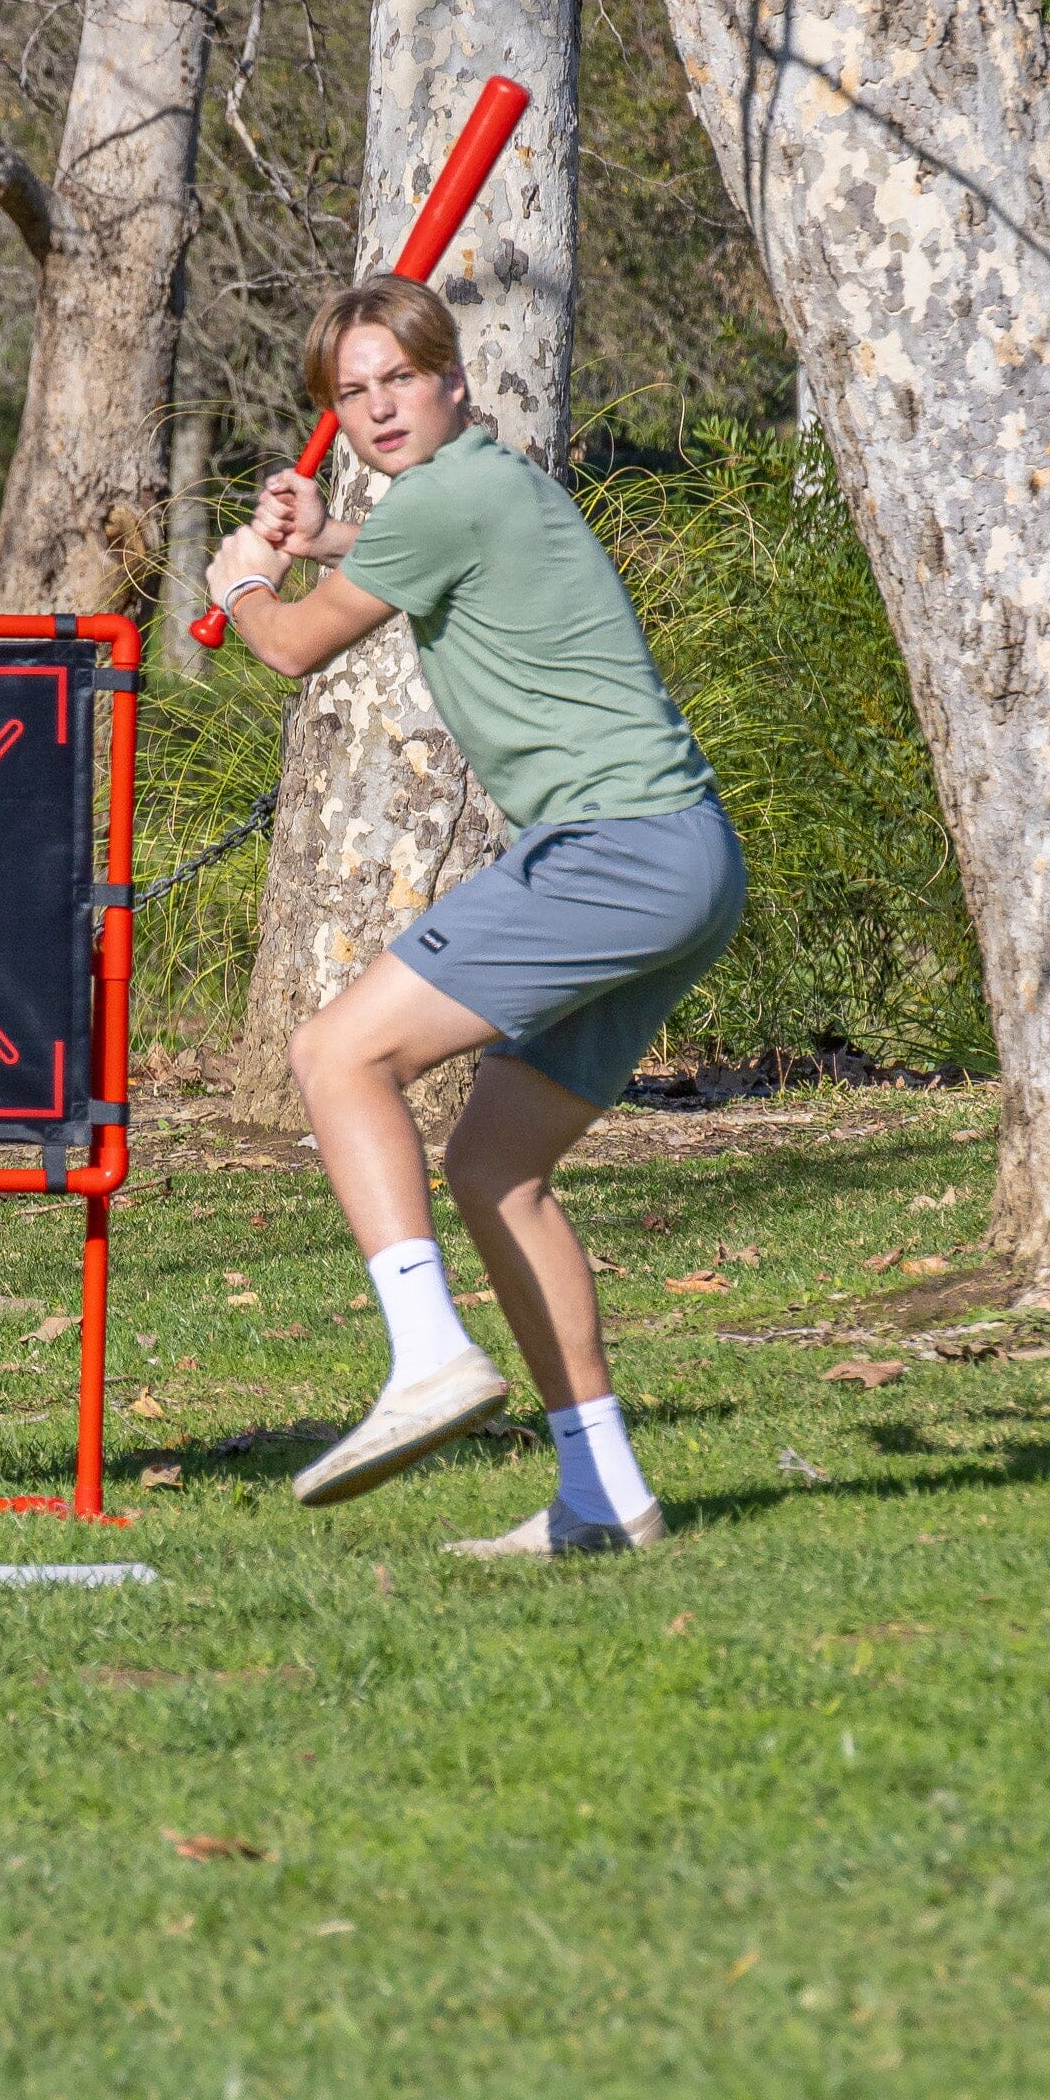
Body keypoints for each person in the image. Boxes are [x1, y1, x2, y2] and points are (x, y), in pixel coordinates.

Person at [202, 275, 744, 1556]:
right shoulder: (484, 490)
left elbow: (285, 650)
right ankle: (603, 1495)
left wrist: (240, 580)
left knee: (337, 1054)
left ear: (455, 380)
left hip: (613, 850)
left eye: (401, 379)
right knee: (495, 1168)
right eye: (353, 393)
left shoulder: (443, 500)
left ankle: (428, 1356)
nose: (381, 407)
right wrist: (322, 538)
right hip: (685, 860)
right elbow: (401, 555)